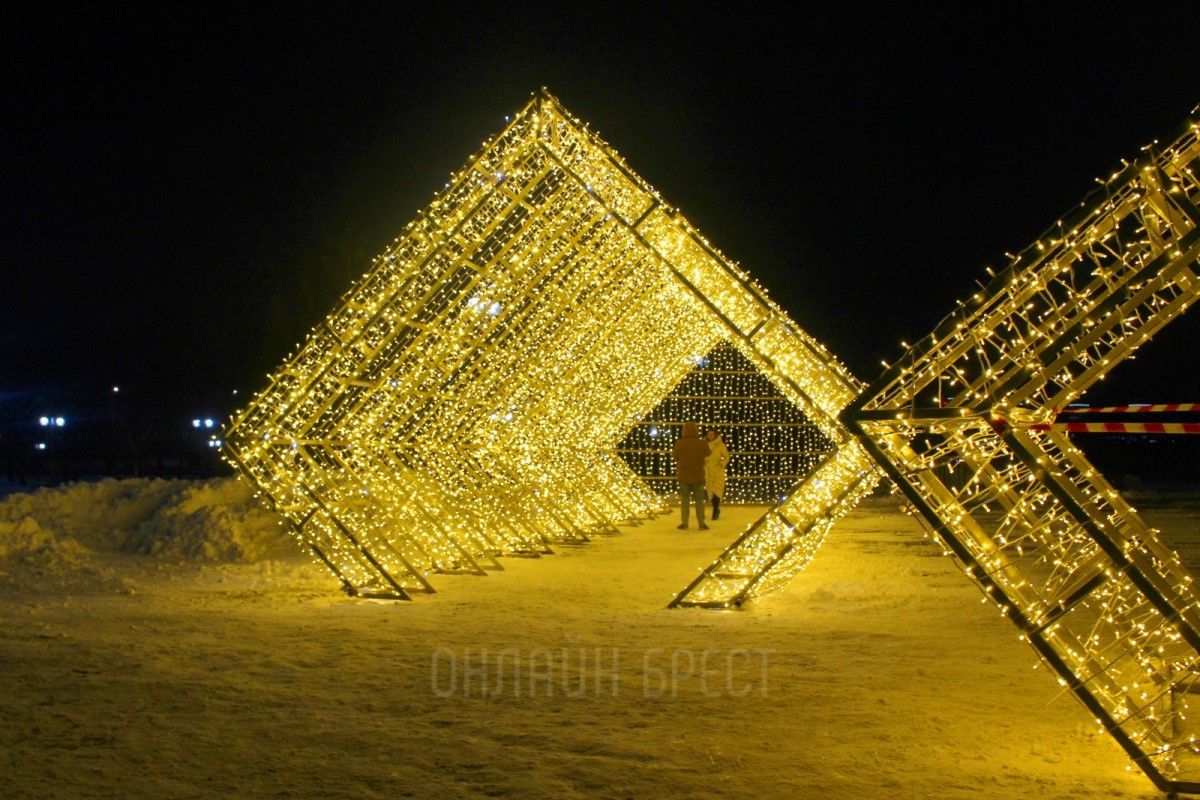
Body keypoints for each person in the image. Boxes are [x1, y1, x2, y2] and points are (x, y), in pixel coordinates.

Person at [672, 421, 710, 530]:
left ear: (684, 431)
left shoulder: (680, 443)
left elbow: (675, 456)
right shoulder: (701, 442)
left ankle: (685, 523)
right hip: (698, 476)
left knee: (685, 501)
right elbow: (708, 453)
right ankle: (701, 523)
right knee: (699, 501)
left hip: (684, 476)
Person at [704, 428, 730, 520]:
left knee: (717, 490)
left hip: (718, 471)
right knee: (710, 490)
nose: (710, 436)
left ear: (715, 435)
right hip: (708, 470)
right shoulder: (704, 445)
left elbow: (726, 456)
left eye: (712, 434)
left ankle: (715, 510)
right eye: (709, 434)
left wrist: (722, 463)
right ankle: (716, 509)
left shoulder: (720, 445)